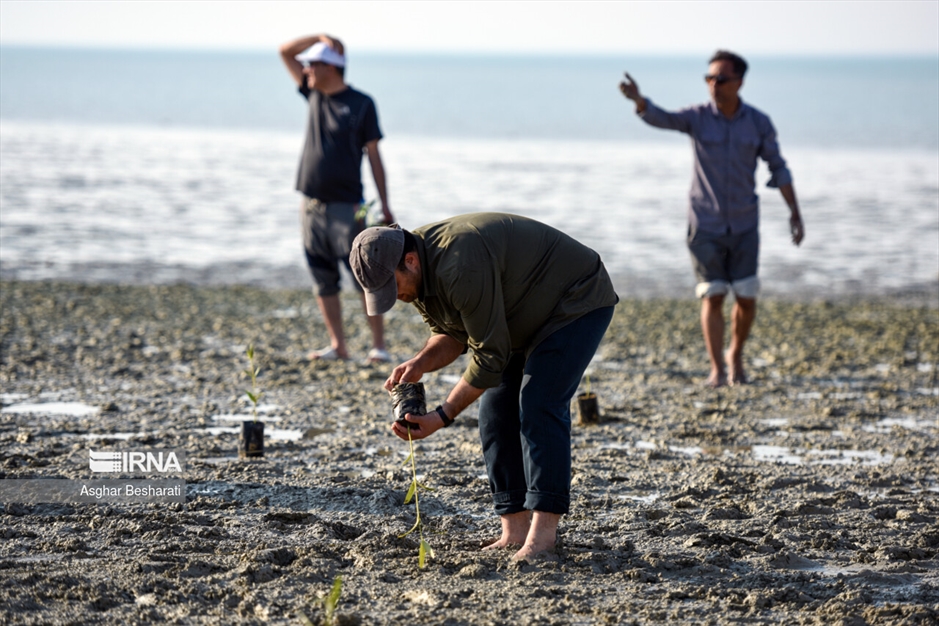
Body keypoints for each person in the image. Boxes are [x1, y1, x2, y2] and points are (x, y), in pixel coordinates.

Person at [349, 213, 618, 561]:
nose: (396, 296)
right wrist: (420, 363)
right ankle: (514, 529)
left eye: (393, 286)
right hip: (517, 315)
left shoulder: (460, 265)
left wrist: (442, 416)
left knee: (539, 403)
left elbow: (489, 357)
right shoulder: (417, 273)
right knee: (493, 412)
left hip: (575, 299)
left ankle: (543, 536)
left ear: (410, 261)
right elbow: (452, 335)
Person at [619, 50, 805, 388]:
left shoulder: (758, 122)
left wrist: (795, 212)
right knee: (713, 294)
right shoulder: (697, 117)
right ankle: (717, 368)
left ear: (739, 82)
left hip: (745, 223)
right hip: (704, 223)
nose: (713, 84)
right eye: (709, 78)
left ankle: (736, 354)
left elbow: (778, 166)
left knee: (746, 298)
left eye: (721, 78)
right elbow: (664, 118)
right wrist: (639, 100)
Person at [279, 34, 394, 363]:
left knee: (364, 275)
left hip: (350, 206)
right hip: (311, 205)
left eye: (313, 62)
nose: (306, 68)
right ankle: (338, 346)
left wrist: (385, 203)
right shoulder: (313, 94)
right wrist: (317, 36)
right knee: (322, 276)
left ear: (331, 67)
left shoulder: (361, 103)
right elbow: (284, 51)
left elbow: (374, 156)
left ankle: (379, 346)